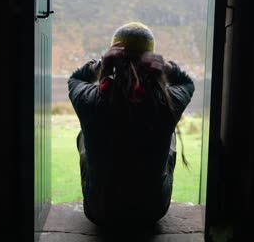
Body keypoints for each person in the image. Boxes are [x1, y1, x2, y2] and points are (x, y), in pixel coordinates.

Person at [68, 22, 194, 227]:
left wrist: (102, 64)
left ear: (114, 57)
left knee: (85, 135)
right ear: (150, 60)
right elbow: (187, 84)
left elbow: (76, 79)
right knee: (169, 137)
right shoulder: (167, 104)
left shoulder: (89, 101)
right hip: (152, 211)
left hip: (100, 212)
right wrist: (167, 68)